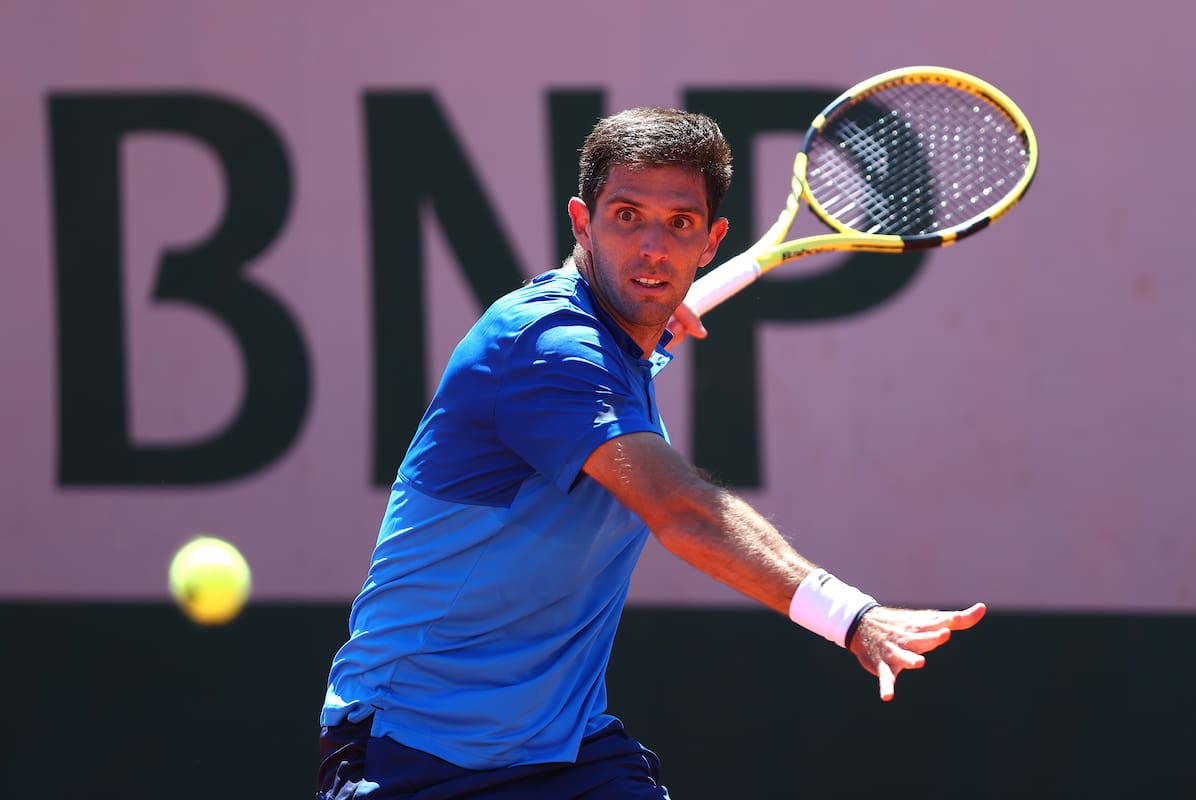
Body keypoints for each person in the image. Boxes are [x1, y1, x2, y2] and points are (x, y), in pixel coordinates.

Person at [317, 107, 986, 799]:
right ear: (582, 222)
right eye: (627, 216)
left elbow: (627, 341)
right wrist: (850, 616)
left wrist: (654, 320)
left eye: (679, 225)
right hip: (416, 748)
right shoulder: (547, 347)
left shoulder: (614, 338)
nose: (652, 249)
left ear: (712, 241)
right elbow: (681, 510)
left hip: (564, 746)